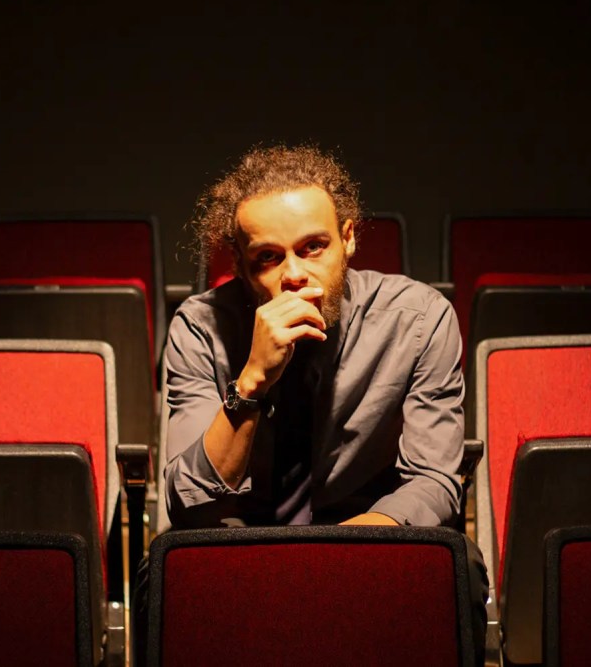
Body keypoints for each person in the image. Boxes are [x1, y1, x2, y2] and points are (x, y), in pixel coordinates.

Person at [154, 144, 487, 661]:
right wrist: (252, 382)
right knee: (160, 573)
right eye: (268, 257)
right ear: (241, 267)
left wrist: (327, 554)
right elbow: (188, 502)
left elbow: (433, 482)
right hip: (239, 539)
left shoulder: (419, 318)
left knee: (459, 566)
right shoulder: (199, 328)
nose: (294, 274)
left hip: (367, 531)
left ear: (348, 240)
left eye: (313, 247)